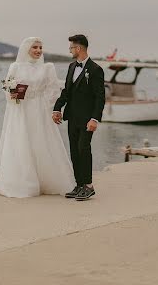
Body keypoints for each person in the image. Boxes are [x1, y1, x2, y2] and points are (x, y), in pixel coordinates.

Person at [0, 37, 75, 198]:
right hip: (21, 110)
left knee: (41, 141)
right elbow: (7, 89)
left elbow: (53, 90)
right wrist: (15, 94)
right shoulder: (15, 66)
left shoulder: (47, 67)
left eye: (40, 48)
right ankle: (23, 182)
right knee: (21, 142)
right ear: (27, 49)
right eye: (35, 47)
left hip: (40, 110)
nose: (38, 50)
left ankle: (46, 179)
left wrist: (44, 103)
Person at [52, 34, 105, 201]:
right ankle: (79, 184)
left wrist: (95, 119)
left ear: (79, 48)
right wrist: (57, 108)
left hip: (87, 119)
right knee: (74, 151)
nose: (70, 50)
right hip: (72, 117)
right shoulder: (71, 66)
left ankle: (88, 186)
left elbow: (100, 97)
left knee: (84, 148)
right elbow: (66, 91)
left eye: (71, 48)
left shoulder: (96, 69)